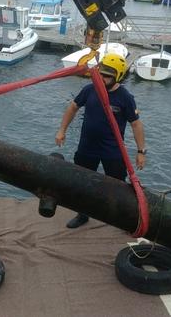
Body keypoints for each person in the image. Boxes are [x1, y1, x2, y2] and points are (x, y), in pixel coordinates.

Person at [55, 53, 146, 228]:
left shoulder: (125, 97)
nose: (102, 78)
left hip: (112, 151)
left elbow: (136, 124)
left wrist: (141, 151)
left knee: (119, 187)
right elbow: (73, 107)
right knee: (82, 183)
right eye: (101, 74)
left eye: (107, 76)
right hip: (87, 148)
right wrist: (62, 130)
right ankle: (83, 214)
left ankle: (123, 218)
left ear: (118, 76)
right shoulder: (90, 89)